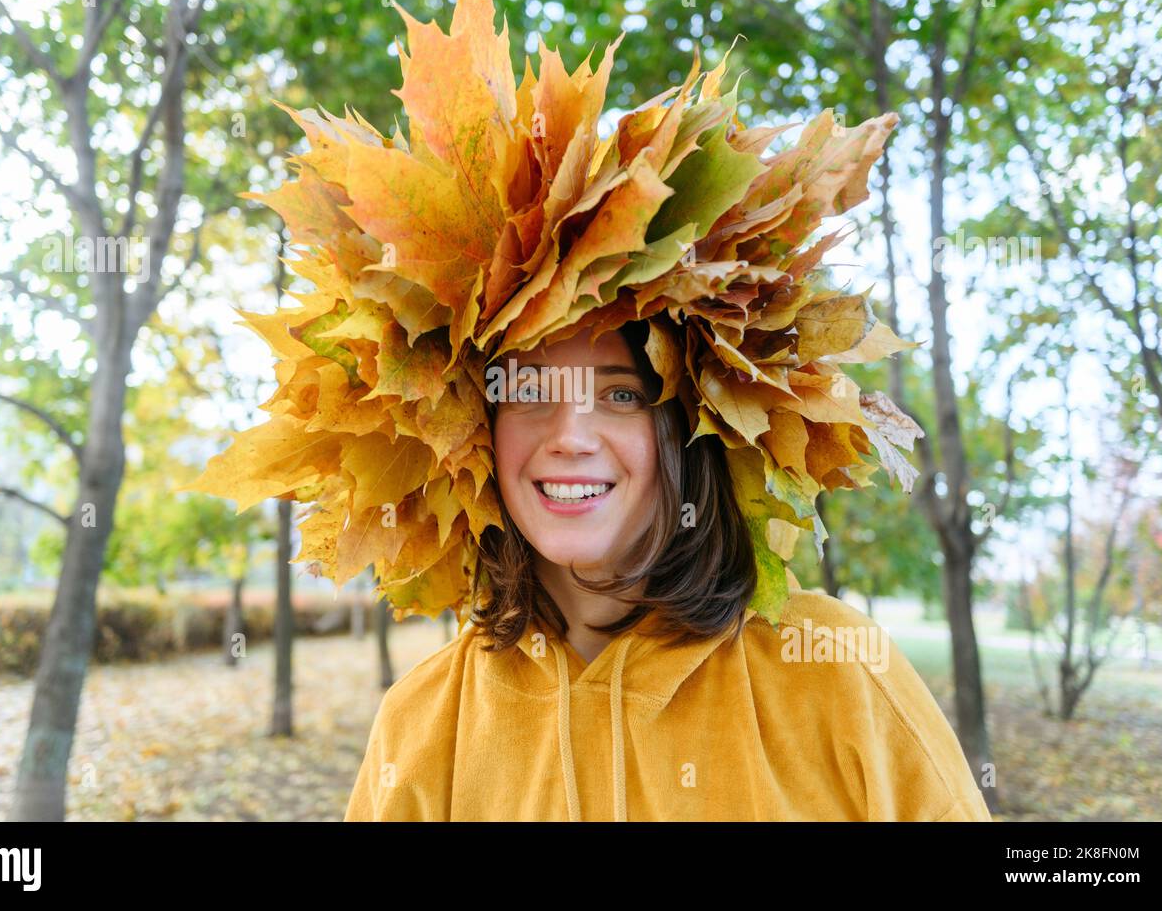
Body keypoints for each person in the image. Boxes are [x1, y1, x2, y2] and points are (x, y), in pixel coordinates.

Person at [343, 320, 993, 822]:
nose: (570, 435)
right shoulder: (422, 721)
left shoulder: (837, 670)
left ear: (690, 428)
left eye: (621, 393)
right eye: (529, 392)